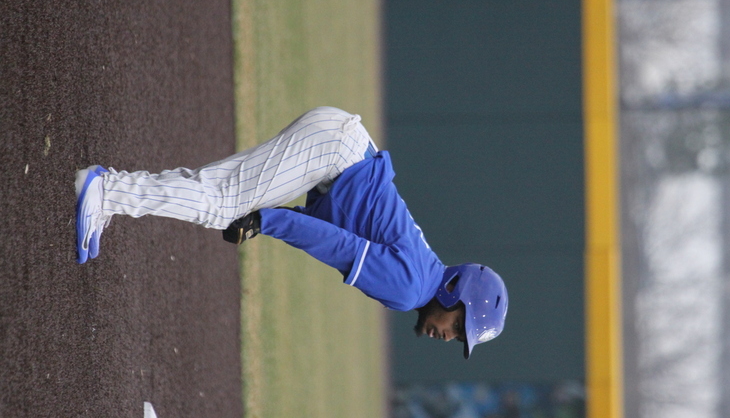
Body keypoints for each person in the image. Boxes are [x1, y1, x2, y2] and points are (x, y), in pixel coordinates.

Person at [74, 107, 508, 358]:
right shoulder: (410, 289)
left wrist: (275, 216)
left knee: (219, 193)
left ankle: (110, 190)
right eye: (460, 325)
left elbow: (342, 222)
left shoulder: (423, 273)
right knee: (223, 205)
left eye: (459, 338)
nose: (450, 336)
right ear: (454, 293)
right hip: (332, 153)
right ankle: (103, 191)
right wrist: (270, 221)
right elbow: (339, 245)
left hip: (338, 150)